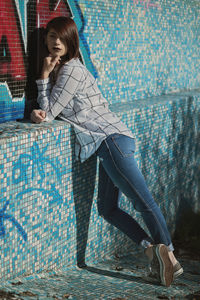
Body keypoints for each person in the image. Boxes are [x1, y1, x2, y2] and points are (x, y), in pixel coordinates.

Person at [30, 16, 183, 287]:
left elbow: (50, 113)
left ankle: (169, 256)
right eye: (51, 36)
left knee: (142, 201)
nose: (55, 41)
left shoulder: (70, 71)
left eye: (60, 37)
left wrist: (42, 78)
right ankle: (152, 251)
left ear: (70, 40)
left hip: (110, 141)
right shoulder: (67, 69)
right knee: (107, 208)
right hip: (110, 143)